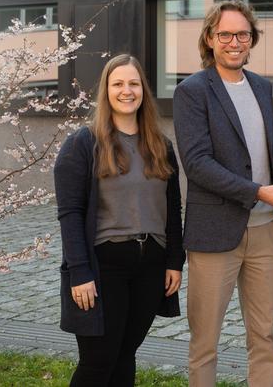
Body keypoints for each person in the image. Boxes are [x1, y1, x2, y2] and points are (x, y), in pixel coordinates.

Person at [173, 0, 273, 387]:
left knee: (264, 336)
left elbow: (258, 150)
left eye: (242, 34)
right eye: (225, 34)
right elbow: (197, 164)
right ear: (210, 38)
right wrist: (260, 191)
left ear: (252, 39)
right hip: (215, 234)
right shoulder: (192, 91)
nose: (234, 42)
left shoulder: (261, 86)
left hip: (264, 233)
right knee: (205, 342)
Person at [55, 54, 185, 386]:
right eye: (118, 84)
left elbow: (172, 208)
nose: (126, 91)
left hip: (150, 264)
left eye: (133, 83)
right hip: (104, 265)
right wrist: (79, 272)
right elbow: (70, 215)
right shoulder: (83, 144)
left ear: (143, 90)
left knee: (126, 355)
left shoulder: (160, 145)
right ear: (106, 91)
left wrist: (174, 261)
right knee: (98, 362)